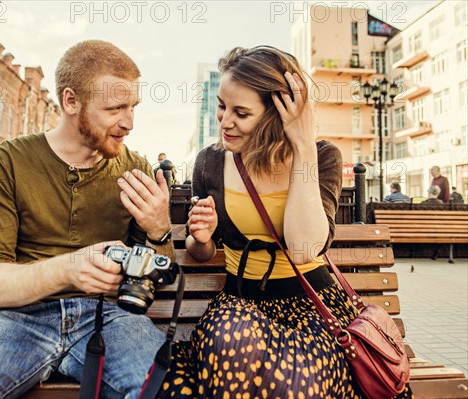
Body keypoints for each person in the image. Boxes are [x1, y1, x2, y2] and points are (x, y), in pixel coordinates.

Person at [0, 40, 174, 399]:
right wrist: (68, 269)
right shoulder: (5, 163)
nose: (129, 122)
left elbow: (161, 273)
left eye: (133, 107)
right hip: (17, 318)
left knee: (167, 391)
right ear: (71, 102)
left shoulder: (136, 168)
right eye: (115, 108)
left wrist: (159, 229)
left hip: (108, 318)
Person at [158, 46, 413, 398]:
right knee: (229, 343)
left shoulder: (321, 156)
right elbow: (201, 253)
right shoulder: (211, 163)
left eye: (242, 113)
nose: (225, 121)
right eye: (222, 106)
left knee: (301, 379)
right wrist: (201, 238)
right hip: (239, 302)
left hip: (313, 304)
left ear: (277, 115)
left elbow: (304, 247)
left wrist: (303, 145)